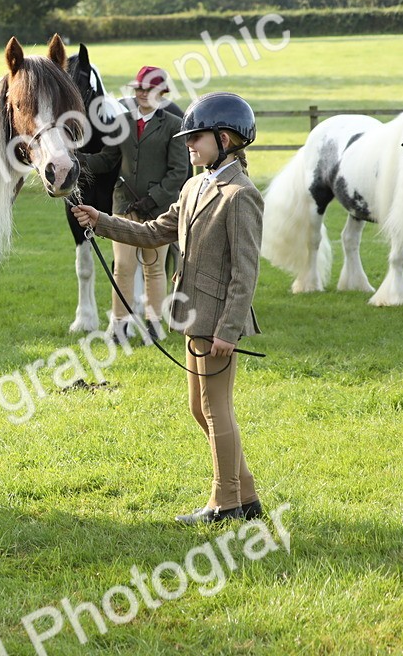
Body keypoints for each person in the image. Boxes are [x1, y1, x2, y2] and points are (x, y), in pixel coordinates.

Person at [72, 91, 263, 525]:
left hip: (217, 324)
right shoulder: (196, 185)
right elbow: (157, 230)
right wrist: (101, 221)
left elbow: (245, 273)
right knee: (201, 410)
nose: (189, 144)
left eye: (196, 137)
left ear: (227, 138)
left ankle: (225, 503)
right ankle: (246, 495)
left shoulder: (241, 195)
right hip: (192, 317)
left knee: (216, 410)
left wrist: (229, 331)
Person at [78, 66, 188, 344]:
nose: (141, 94)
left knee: (153, 267)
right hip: (124, 206)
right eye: (138, 88)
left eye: (147, 90)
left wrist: (154, 199)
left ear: (161, 93)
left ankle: (153, 323)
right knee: (122, 268)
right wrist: (77, 160)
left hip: (158, 211)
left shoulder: (175, 126)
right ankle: (119, 325)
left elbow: (178, 172)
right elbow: (107, 159)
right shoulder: (122, 122)